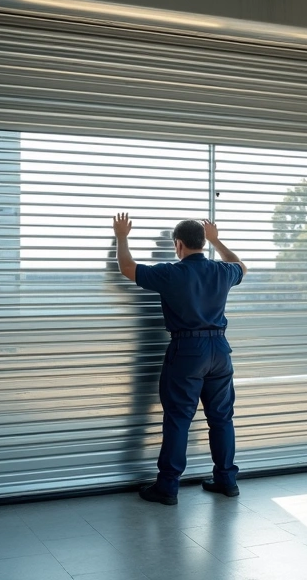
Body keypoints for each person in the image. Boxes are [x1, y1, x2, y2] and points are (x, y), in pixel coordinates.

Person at [111, 213, 247, 505]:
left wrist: (121, 236)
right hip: (220, 351)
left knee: (178, 420)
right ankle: (227, 480)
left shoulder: (171, 273)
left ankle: (168, 487)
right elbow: (242, 266)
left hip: (187, 352)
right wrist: (217, 240)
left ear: (178, 244)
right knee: (222, 418)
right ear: (201, 242)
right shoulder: (222, 271)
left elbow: (126, 268)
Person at [105, 232, 176, 472]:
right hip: (171, 357)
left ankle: (132, 457)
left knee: (148, 410)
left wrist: (117, 241)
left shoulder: (151, 285)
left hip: (159, 357)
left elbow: (118, 276)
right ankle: (165, 461)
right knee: (178, 412)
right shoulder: (177, 285)